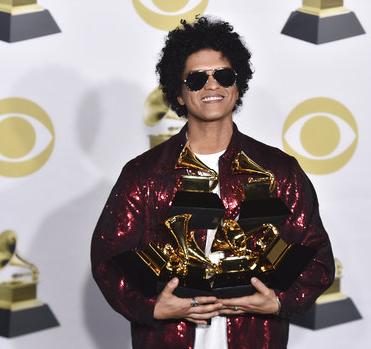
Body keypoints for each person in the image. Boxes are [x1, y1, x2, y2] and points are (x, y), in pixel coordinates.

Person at [91, 16, 335, 349]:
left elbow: (316, 256)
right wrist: (150, 307)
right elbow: (109, 254)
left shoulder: (280, 170)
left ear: (237, 85)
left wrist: (280, 301)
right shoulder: (143, 174)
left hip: (257, 337)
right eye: (196, 79)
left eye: (223, 75)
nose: (211, 86)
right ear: (178, 93)